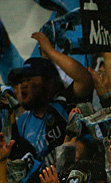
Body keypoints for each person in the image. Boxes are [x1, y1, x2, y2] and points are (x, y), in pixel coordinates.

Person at [14, 33, 94, 166]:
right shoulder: (22, 123)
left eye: (29, 79)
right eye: (21, 81)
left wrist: (50, 51)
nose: (23, 84)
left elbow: (85, 80)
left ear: (49, 83)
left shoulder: (62, 102)